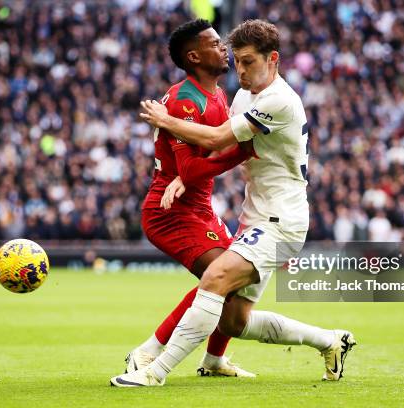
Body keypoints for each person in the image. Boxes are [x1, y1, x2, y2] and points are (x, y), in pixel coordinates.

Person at [111, 19, 356, 387]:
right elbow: (224, 148)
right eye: (237, 61)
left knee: (215, 278)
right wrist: (183, 175)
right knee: (234, 321)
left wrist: (168, 121)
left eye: (248, 62)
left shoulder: (279, 100)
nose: (239, 69)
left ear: (272, 59)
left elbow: (217, 138)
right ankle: (330, 341)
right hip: (255, 216)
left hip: (280, 219)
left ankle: (153, 369)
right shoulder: (243, 95)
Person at [122, 19, 256, 378]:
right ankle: (146, 353)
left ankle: (213, 361)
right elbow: (196, 167)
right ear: (194, 56)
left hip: (198, 207)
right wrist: (243, 152)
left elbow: (198, 165)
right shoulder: (184, 101)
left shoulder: (215, 93)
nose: (223, 46)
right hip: (170, 213)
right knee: (223, 277)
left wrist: (185, 175)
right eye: (214, 43)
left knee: (237, 282)